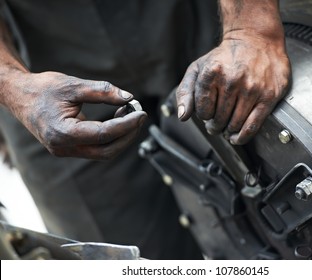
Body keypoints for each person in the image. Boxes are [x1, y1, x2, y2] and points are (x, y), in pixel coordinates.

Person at [0, 0, 290, 259]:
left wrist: (252, 30)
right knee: (116, 256)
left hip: (201, 14)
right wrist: (13, 86)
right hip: (39, 48)